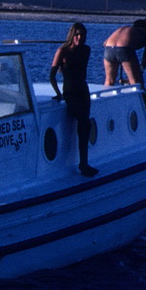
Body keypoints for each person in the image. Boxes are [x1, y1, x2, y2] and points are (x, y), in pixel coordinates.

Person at [49, 22, 98, 176]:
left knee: (85, 126)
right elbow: (52, 75)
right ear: (72, 35)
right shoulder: (62, 51)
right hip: (70, 92)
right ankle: (81, 164)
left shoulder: (86, 50)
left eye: (82, 35)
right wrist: (58, 93)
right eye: (77, 35)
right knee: (83, 121)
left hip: (83, 91)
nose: (79, 38)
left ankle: (84, 163)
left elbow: (81, 71)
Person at [101, 19, 146, 86]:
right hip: (124, 50)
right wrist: (142, 68)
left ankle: (105, 95)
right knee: (136, 82)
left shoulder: (123, 29)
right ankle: (138, 95)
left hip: (108, 50)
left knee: (109, 81)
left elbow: (104, 43)